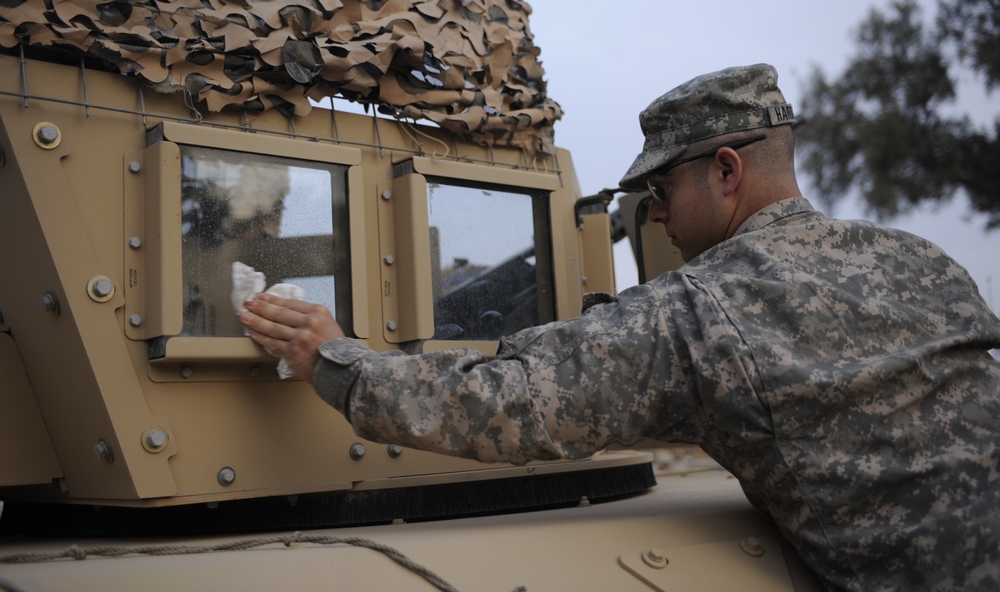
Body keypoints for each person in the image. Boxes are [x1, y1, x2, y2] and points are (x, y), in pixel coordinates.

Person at [240, 63, 1000, 592]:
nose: (657, 211)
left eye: (662, 186)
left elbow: (512, 401)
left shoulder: (701, 311)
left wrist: (335, 359)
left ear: (727, 171)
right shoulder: (921, 261)